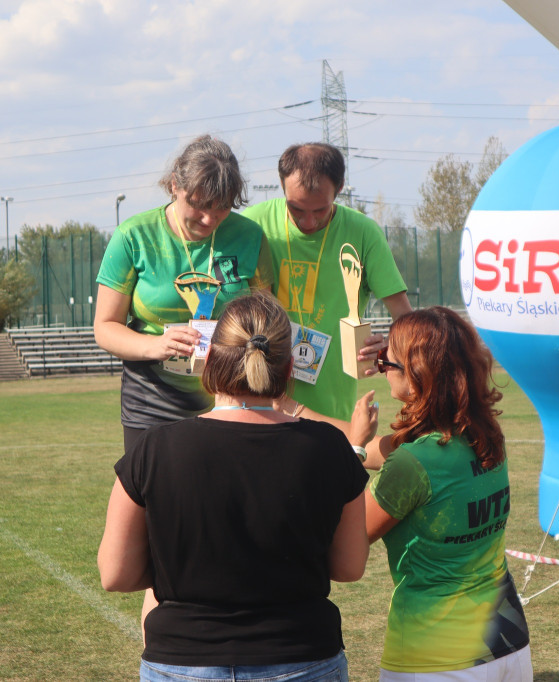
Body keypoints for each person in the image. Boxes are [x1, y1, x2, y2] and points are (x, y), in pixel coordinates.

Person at [98, 292, 370, 682]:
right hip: (303, 657)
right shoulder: (330, 447)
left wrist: (178, 568)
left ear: (209, 359)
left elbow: (116, 574)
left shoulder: (155, 448)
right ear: (290, 367)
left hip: (181, 660)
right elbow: (349, 566)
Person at [349, 307, 533, 681]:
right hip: (509, 646)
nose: (382, 367)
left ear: (416, 378)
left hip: (436, 658)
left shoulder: (412, 464)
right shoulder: (484, 434)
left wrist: (352, 449)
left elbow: (345, 542)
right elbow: (388, 450)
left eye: (388, 361)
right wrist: (294, 412)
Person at [95, 135, 273, 452]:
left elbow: (266, 321)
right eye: (199, 204)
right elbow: (105, 327)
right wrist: (156, 345)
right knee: (152, 498)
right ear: (175, 185)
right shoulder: (133, 236)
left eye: (222, 208)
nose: (209, 218)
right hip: (152, 398)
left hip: (231, 397)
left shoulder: (250, 237)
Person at [243, 142, 412, 423]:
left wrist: (386, 350)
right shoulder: (250, 225)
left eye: (320, 210)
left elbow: (406, 318)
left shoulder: (362, 233)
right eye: (296, 209)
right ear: (281, 186)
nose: (308, 222)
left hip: (331, 413)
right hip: (257, 405)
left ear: (341, 187)